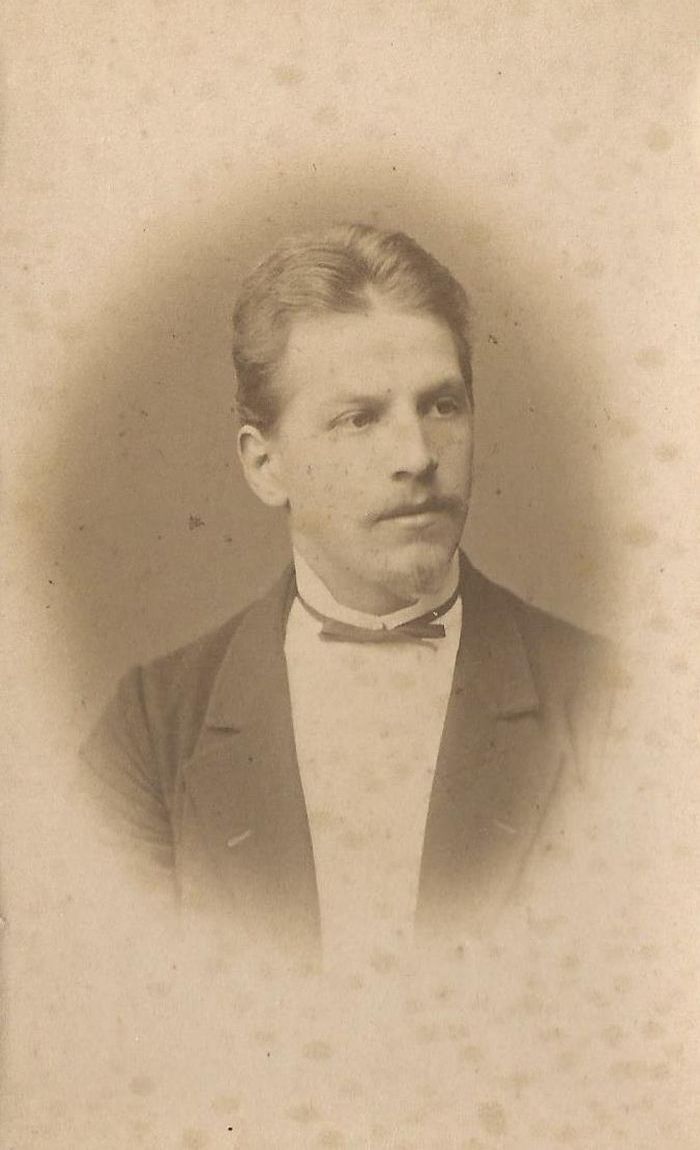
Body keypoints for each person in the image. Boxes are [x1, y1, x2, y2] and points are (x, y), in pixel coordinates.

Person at [81, 222, 614, 967]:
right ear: (265, 466)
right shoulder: (153, 729)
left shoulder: (613, 705)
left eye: (442, 405)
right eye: (360, 418)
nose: (417, 456)